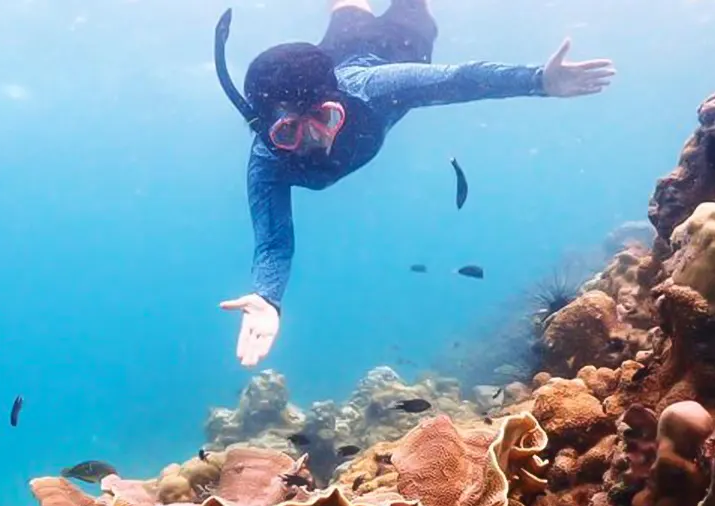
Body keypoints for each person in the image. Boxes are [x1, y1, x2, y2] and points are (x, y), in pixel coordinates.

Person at [213, 0, 616, 367]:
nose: (316, 140)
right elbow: (273, 242)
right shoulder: (268, 161)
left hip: (395, 46)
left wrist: (538, 81)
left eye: (325, 118)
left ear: (340, 102)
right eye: (289, 132)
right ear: (266, 130)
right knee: (348, 12)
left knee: (408, 17)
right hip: (330, 56)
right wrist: (268, 297)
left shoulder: (370, 88)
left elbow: (458, 79)